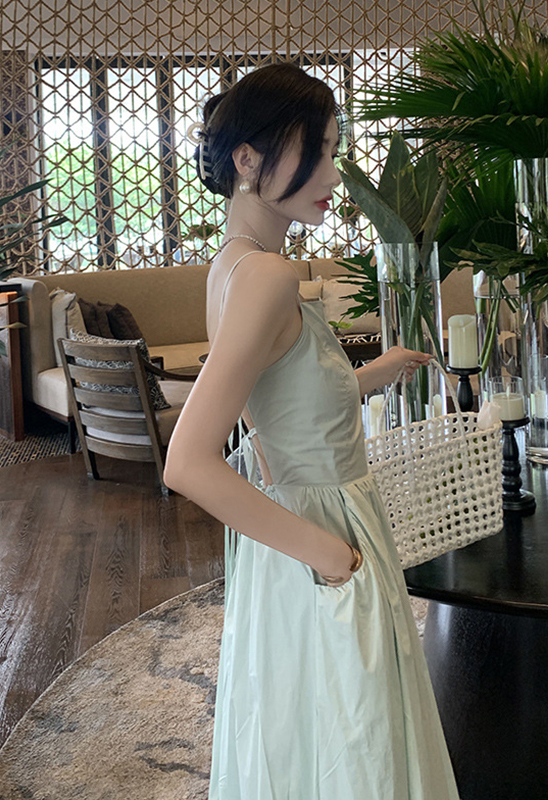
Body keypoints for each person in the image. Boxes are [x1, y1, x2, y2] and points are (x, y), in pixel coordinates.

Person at [164, 62, 459, 800]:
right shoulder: (267, 278)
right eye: (316, 150)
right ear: (248, 159)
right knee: (358, 743)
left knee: (306, 734)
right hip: (321, 533)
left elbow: (275, 408)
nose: (334, 173)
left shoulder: (232, 267)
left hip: (296, 533)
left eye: (333, 149)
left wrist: (368, 374)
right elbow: (188, 462)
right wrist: (334, 558)